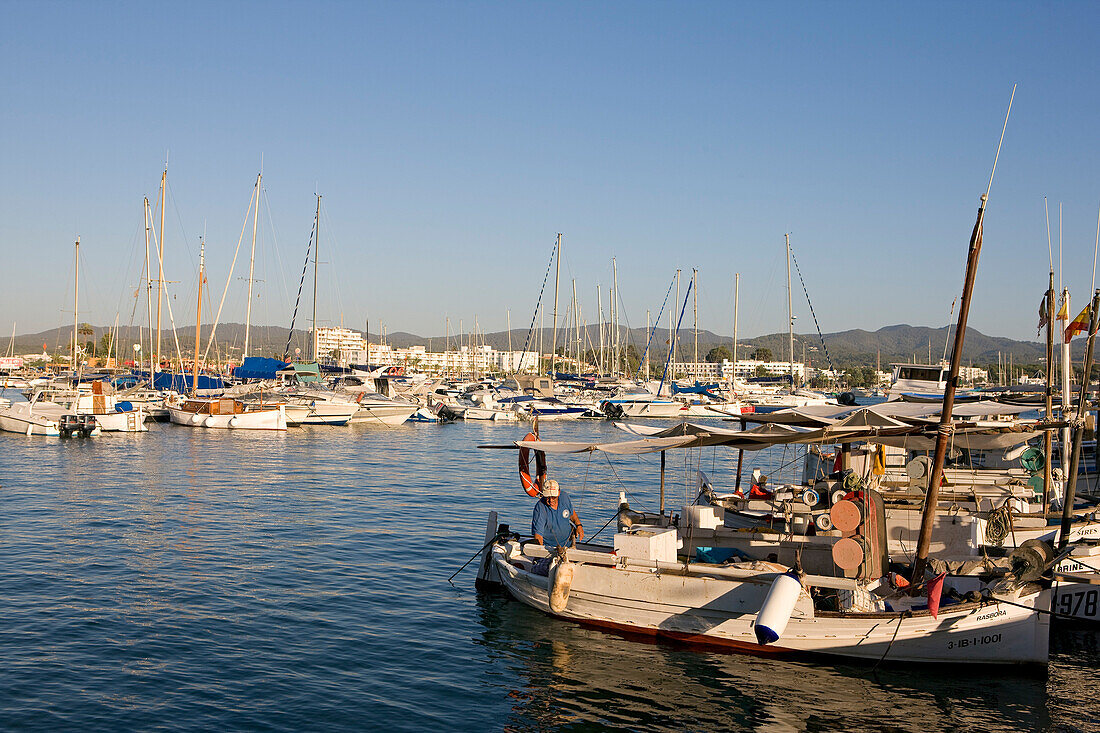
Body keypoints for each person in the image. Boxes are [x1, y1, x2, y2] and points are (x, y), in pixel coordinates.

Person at [532, 479, 583, 550]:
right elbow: (538, 536)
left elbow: (571, 513)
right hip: (549, 548)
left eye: (553, 497)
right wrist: (540, 552)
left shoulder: (564, 497)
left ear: (558, 493)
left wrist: (578, 525)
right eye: (547, 497)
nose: (550, 500)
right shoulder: (540, 508)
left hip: (569, 545)